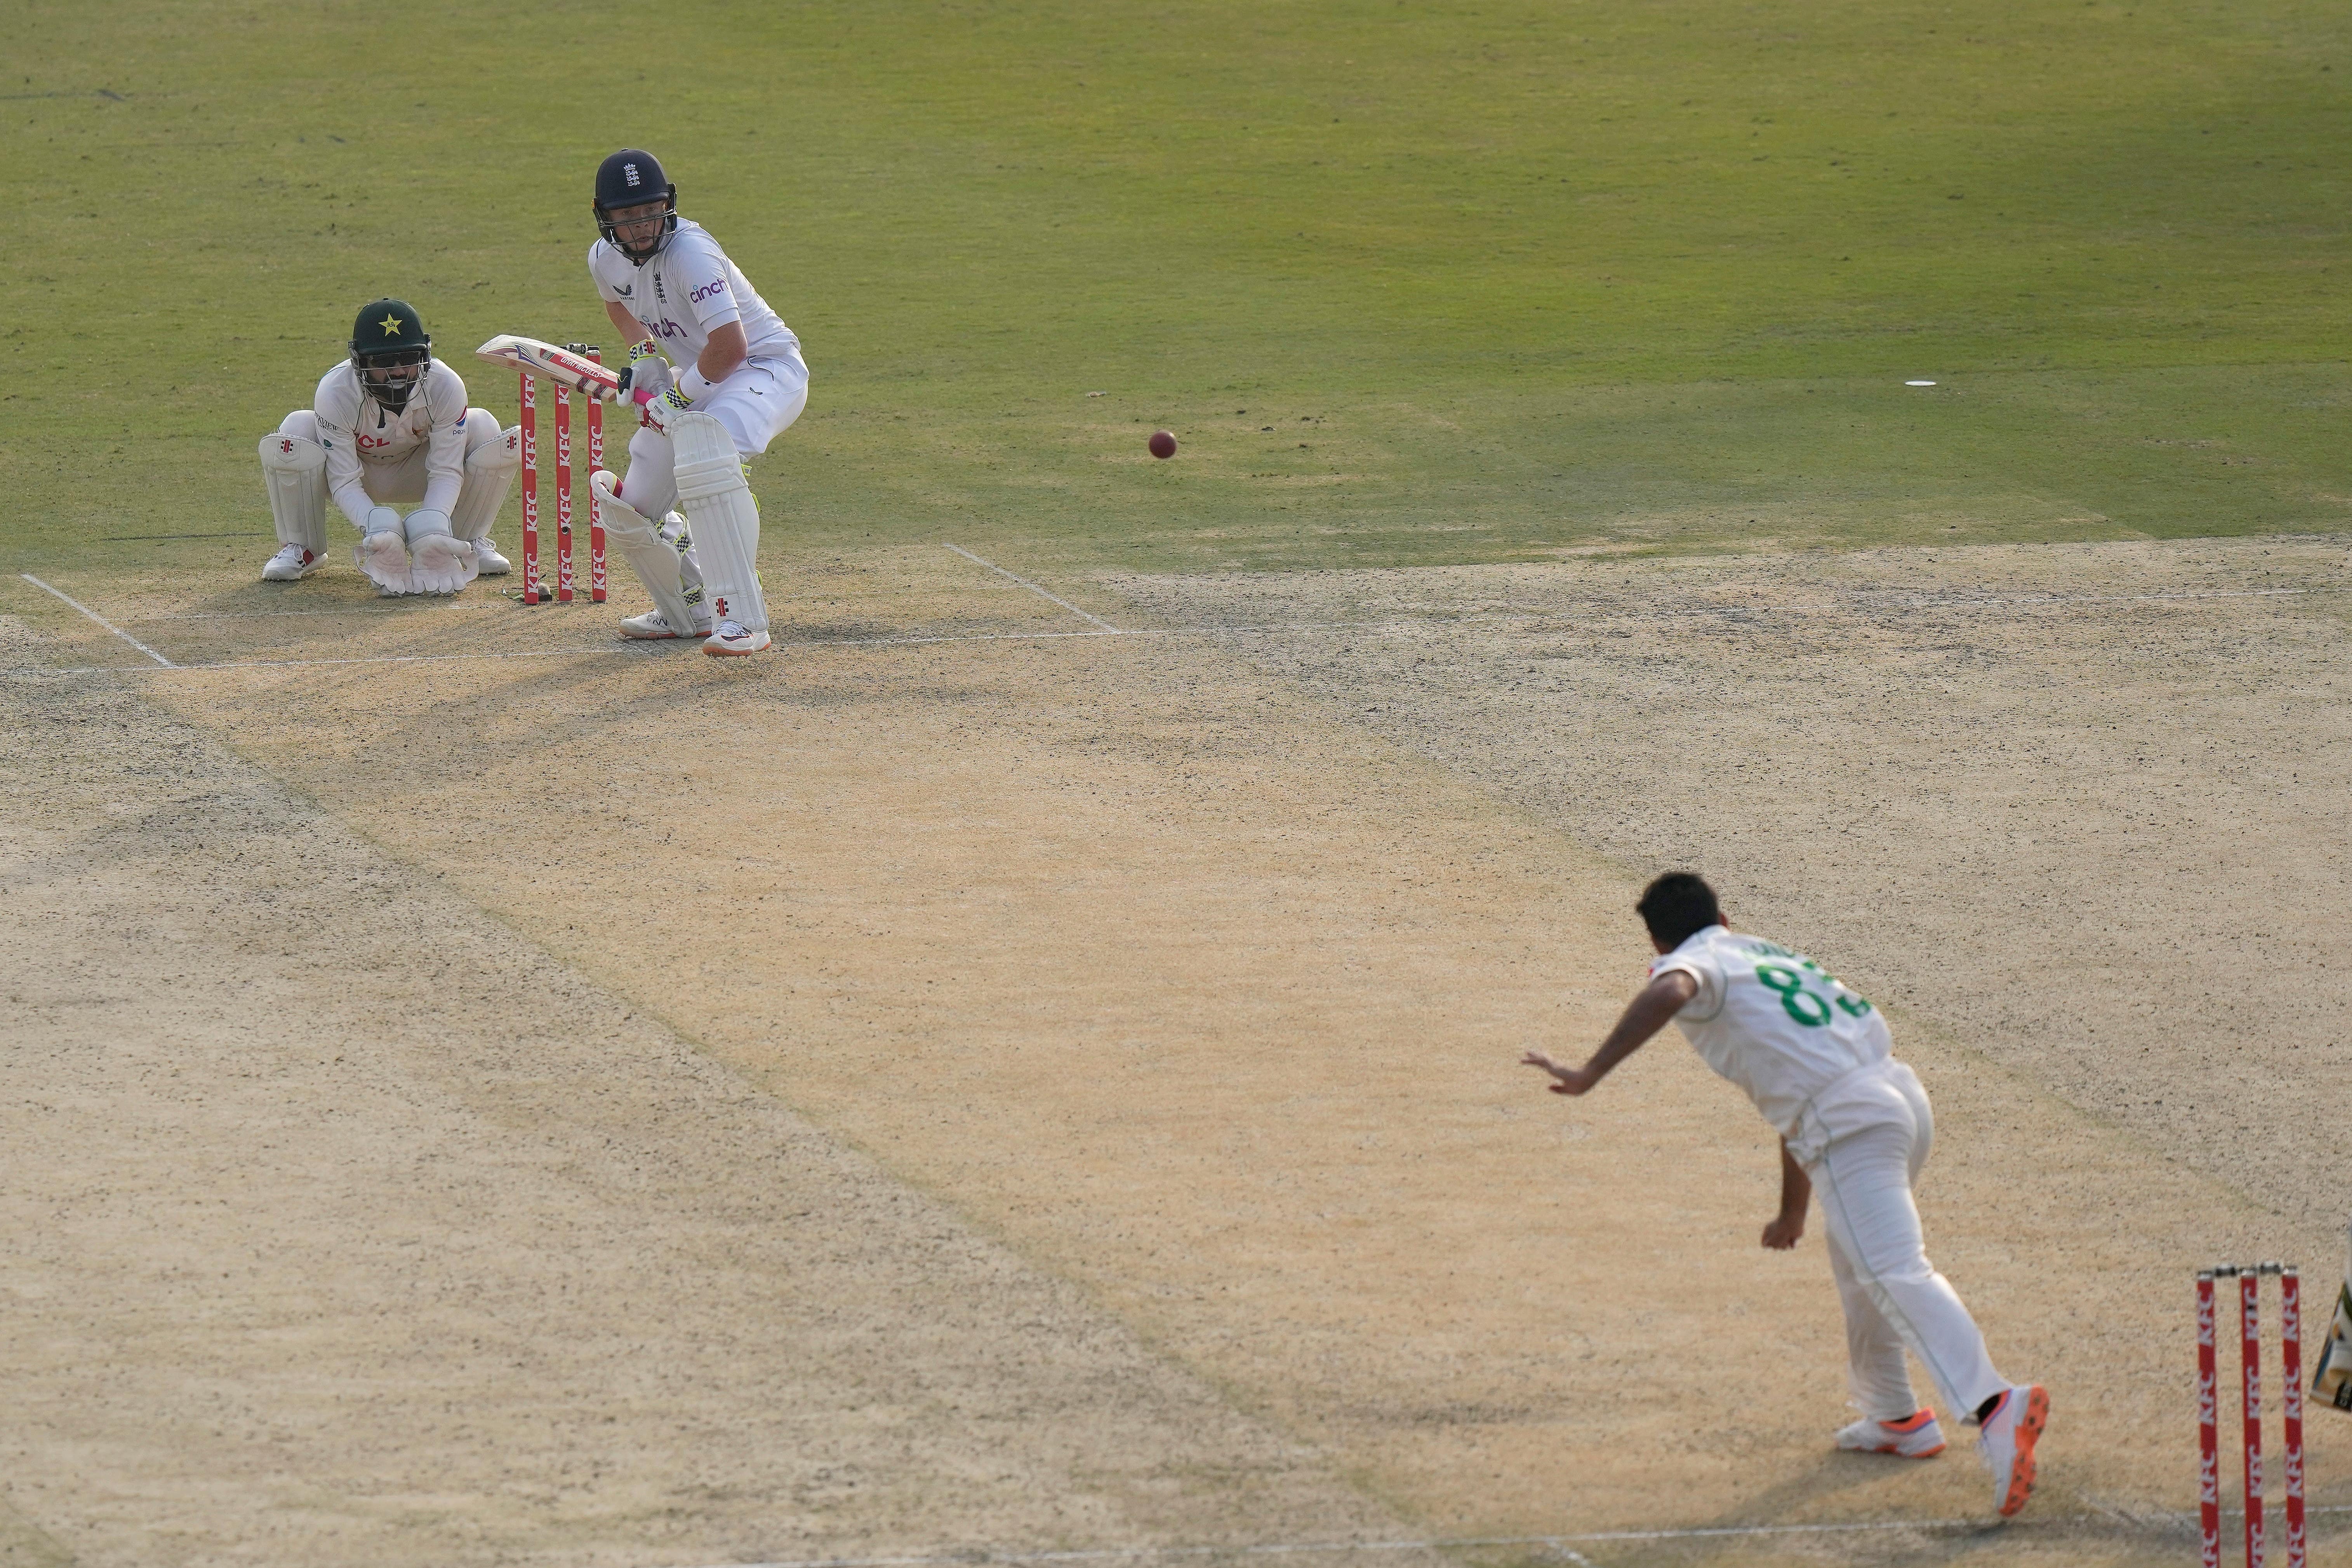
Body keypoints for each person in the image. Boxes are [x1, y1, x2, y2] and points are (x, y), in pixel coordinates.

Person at [1521, 872, 2048, 1518]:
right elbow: (1795, 1087)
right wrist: (1793, 1207)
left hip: (1850, 1119)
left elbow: (1675, 988)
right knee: (1862, 1265)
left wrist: (1590, 1071)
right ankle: (1895, 1416)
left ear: (1658, 939)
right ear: (1724, 914)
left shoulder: (1690, 966)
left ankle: (1995, 1404)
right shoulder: (1759, 953)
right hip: (1896, 1100)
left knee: (1891, 1267)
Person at [581, 148, 809, 655]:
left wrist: (678, 398)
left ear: (668, 205)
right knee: (631, 508)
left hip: (765, 369)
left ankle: (744, 620)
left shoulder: (691, 255)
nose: (641, 226)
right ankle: (691, 608)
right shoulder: (604, 258)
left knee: (708, 454)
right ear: (606, 217)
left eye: (650, 211)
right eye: (627, 216)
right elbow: (616, 303)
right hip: (705, 376)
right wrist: (645, 357)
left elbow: (732, 347)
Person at [256, 299, 516, 593]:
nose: (397, 372)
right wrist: (377, 528)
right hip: (356, 473)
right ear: (360, 361)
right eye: (382, 362)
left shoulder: (445, 385)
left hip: (416, 472)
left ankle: (464, 543)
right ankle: (303, 548)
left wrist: (432, 530)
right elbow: (343, 480)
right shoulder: (336, 391)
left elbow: (446, 471)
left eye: (407, 357)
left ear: (425, 354)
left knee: (482, 425)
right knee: (296, 429)